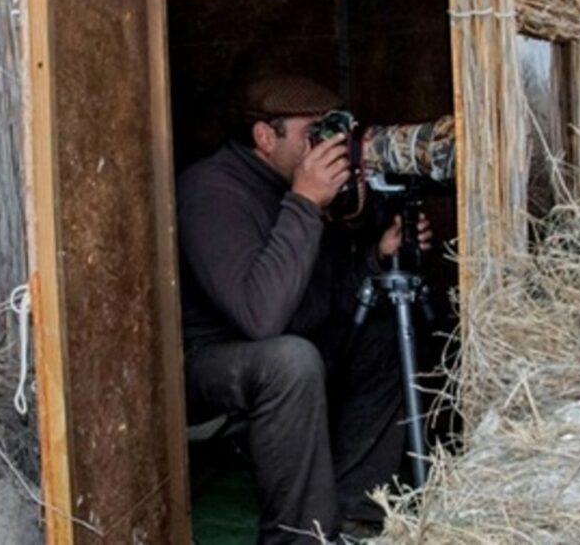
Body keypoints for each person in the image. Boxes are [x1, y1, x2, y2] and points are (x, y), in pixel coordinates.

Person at [178, 74, 432, 544]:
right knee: (289, 361)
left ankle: (353, 509)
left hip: (289, 341)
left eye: (332, 130)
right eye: (312, 133)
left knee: (385, 336)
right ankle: (299, 538)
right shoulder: (211, 190)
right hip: (205, 365)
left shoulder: (296, 187)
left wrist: (378, 255)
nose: (327, 145)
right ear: (264, 136)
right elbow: (260, 317)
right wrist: (304, 202)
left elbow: (327, 299)